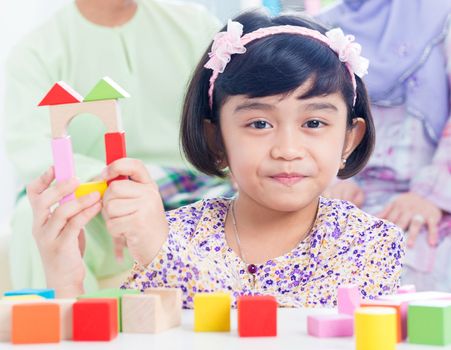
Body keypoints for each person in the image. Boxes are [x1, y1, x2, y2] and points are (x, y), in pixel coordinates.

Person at [27, 11, 405, 307]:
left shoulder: (369, 242)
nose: (287, 149)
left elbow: (280, 333)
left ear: (348, 139)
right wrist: (66, 280)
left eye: (314, 122)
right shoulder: (174, 233)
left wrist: (165, 255)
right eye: (259, 123)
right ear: (216, 138)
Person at [3, 0, 231, 292]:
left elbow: (233, 114)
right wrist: (113, 186)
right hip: (93, 201)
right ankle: (70, 326)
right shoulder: (36, 52)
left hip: (193, 190)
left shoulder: (196, 27)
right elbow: (30, 146)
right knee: (35, 218)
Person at [318, 0, 451, 291]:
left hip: (434, 198)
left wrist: (430, 195)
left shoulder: (443, 16)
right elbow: (311, 115)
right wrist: (334, 178)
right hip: (351, 195)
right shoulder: (321, 28)